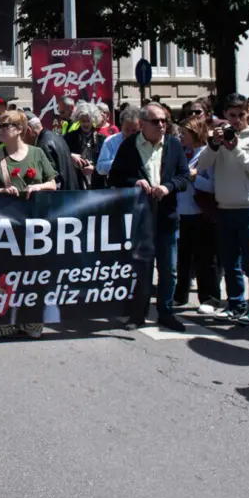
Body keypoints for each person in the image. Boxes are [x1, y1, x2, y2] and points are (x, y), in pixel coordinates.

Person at [107, 103, 191, 331]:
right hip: (140, 217)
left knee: (168, 269)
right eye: (156, 121)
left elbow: (184, 177)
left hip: (167, 215)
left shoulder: (173, 145)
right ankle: (138, 314)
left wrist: (168, 187)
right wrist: (135, 182)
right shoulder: (129, 146)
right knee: (141, 268)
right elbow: (114, 176)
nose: (162, 125)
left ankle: (166, 312)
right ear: (142, 124)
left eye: (164, 121)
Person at [0, 110, 58, 338]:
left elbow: (52, 183)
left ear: (20, 129)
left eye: (6, 126)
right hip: (3, 229)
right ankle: (1, 318)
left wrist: (38, 187)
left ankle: (31, 319)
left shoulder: (37, 154)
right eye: (0, 126)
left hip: (34, 227)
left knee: (33, 273)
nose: (0, 130)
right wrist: (2, 191)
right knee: (2, 272)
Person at [195, 93, 249, 326]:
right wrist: (214, 144)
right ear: (224, 115)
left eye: (241, 115)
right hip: (225, 207)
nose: (236, 120)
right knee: (230, 263)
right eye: (231, 115)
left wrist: (236, 148)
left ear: (248, 114)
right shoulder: (219, 136)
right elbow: (203, 164)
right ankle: (236, 304)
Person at [173, 116, 222, 312]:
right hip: (183, 212)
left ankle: (210, 298)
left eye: (183, 134)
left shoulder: (206, 155)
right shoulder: (184, 153)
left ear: (194, 134)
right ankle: (180, 295)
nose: (180, 137)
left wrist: (194, 179)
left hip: (201, 213)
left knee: (205, 258)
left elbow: (213, 185)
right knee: (184, 258)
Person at [26, 115, 78, 191]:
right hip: (70, 191)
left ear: (29, 130)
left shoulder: (43, 146)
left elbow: (52, 178)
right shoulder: (54, 136)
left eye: (22, 134)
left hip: (60, 196)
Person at [64, 102, 107, 189]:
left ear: (93, 120)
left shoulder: (102, 139)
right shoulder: (70, 137)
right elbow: (61, 154)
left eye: (88, 121)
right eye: (83, 121)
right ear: (78, 120)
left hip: (97, 185)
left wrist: (94, 170)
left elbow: (107, 164)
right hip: (76, 183)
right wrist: (70, 155)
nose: (86, 124)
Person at [95, 106, 141, 181]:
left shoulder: (146, 141)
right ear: (121, 126)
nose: (130, 134)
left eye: (134, 130)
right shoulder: (110, 141)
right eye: (127, 130)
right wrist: (119, 162)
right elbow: (100, 168)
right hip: (118, 187)